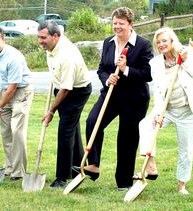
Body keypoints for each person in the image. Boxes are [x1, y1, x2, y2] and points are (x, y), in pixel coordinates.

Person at [72, 7, 153, 191]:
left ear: (130, 24)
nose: (117, 27)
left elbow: (148, 74)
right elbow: (101, 68)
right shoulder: (108, 42)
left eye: (121, 24)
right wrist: (107, 78)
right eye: (114, 23)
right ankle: (93, 165)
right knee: (92, 121)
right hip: (111, 94)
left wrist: (125, 69)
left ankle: (124, 182)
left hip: (134, 98)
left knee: (126, 138)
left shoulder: (142, 45)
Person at [137, 27, 193, 195]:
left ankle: (181, 185)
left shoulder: (188, 55)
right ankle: (151, 166)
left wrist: (185, 61)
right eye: (158, 42)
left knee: (186, 150)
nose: (161, 44)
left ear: (172, 41)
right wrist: (158, 113)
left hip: (189, 111)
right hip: (168, 109)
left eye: (164, 40)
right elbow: (158, 91)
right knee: (145, 125)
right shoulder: (155, 63)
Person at [37, 21, 92, 188]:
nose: (40, 41)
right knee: (72, 128)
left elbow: (67, 88)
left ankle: (62, 178)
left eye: (43, 38)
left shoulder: (67, 55)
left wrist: (51, 111)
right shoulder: (51, 46)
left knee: (65, 131)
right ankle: (79, 167)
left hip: (76, 91)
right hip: (62, 87)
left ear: (55, 36)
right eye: (38, 37)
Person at [0, 26, 33, 181]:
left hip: (20, 92)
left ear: (3, 40)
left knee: (17, 131)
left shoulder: (14, 57)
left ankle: (18, 171)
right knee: (5, 131)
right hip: (5, 90)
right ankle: (9, 166)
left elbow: (13, 86)